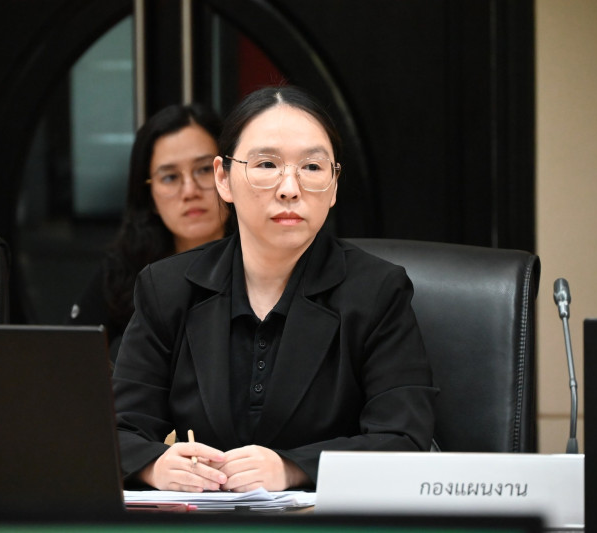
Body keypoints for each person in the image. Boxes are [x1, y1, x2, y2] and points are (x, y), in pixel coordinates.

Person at [113, 86, 437, 493]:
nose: (289, 188)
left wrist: (292, 469)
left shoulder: (377, 292)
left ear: (334, 185)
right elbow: (115, 430)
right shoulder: (167, 289)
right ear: (223, 179)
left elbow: (404, 438)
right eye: (267, 164)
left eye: (312, 167)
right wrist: (154, 466)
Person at [67, 103, 230, 361]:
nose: (190, 191)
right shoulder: (124, 269)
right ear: (150, 197)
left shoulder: (264, 261)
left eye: (203, 170)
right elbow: (70, 361)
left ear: (229, 176)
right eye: (170, 177)